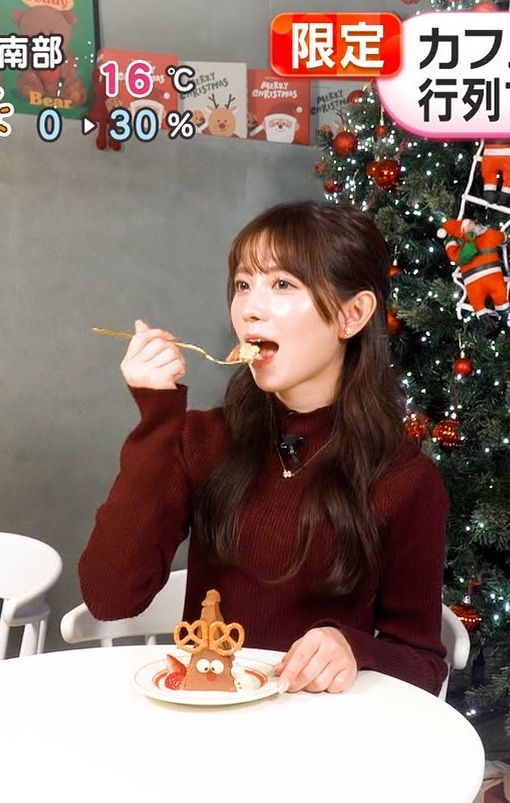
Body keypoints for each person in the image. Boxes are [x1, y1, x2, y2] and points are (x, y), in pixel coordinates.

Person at [78, 200, 450, 696]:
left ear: (353, 314)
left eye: (282, 285)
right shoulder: (200, 440)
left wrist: (354, 647)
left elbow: (423, 664)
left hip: (318, 729)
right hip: (204, 717)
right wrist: (156, 419)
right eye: (242, 285)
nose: (250, 309)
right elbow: (110, 598)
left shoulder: (405, 478)